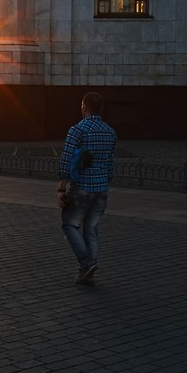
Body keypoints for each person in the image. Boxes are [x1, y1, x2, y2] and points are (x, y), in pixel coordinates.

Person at [58, 92, 116, 285]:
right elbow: (109, 164)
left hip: (82, 186)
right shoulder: (110, 132)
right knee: (91, 228)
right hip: (102, 189)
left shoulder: (77, 130)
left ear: (84, 106)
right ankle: (89, 271)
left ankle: (86, 262)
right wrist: (105, 180)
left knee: (69, 224)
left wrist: (61, 187)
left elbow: (66, 159)